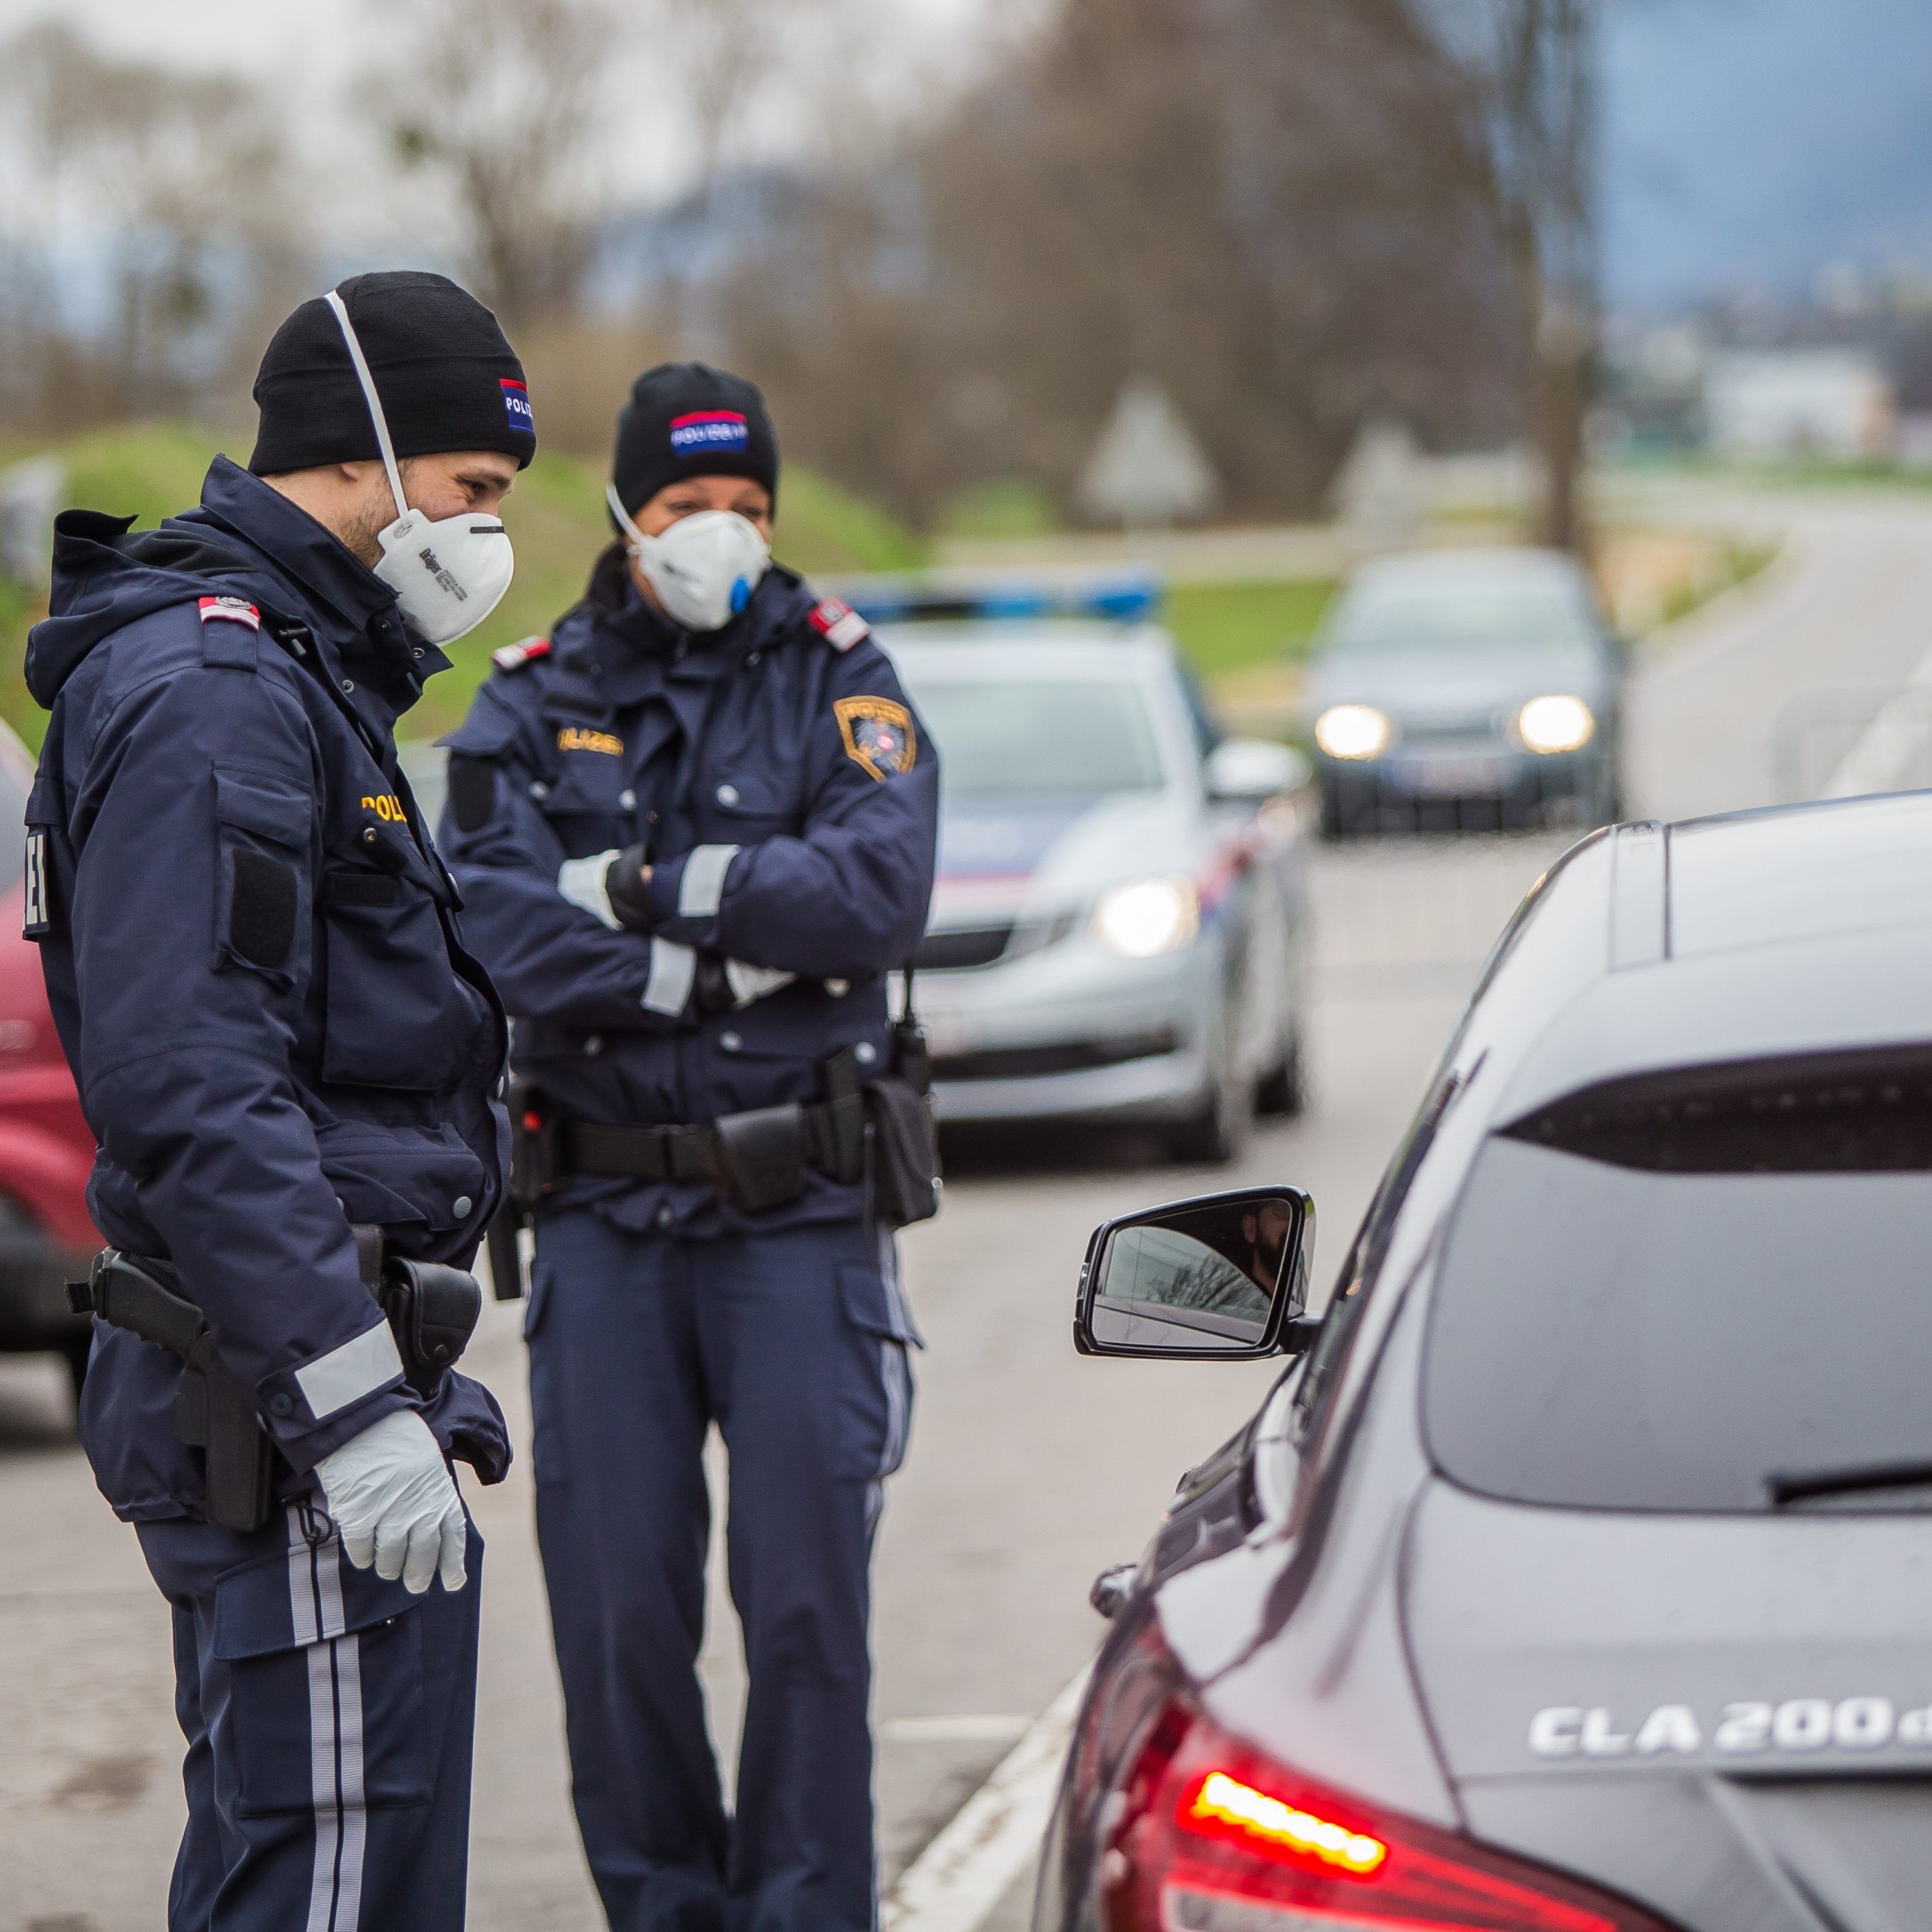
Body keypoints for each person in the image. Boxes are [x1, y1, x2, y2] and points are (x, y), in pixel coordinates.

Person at [25, 269, 532, 1931]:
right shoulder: (221, 693)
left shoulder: (300, 675)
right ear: (360, 459)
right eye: (471, 494)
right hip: (287, 1407)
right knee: (321, 1884)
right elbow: (194, 1080)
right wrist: (349, 1401)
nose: (481, 538)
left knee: (343, 1873)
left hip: (316, 1384)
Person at [439, 363, 939, 1932]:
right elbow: (500, 937)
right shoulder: (531, 699)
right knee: (617, 1622)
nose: (719, 534)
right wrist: (739, 938)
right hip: (599, 1216)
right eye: (685, 509)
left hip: (800, 1215)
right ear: (623, 515)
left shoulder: (839, 674)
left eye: (746, 509)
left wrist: (648, 896)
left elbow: (877, 898)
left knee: (804, 1616)